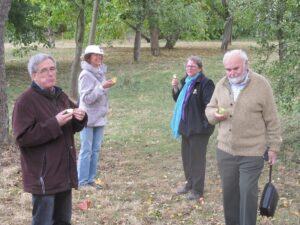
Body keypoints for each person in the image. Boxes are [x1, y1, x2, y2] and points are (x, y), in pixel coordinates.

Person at [205, 49, 282, 225]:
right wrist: (214, 115)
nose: (231, 73)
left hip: (252, 152)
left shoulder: (261, 85)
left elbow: (272, 119)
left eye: (235, 68)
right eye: (228, 69)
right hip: (225, 152)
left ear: (246, 65)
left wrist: (274, 147)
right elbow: (209, 108)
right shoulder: (221, 85)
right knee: (230, 194)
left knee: (247, 192)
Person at [12, 53, 87, 225]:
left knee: (62, 220)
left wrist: (80, 117)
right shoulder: (25, 101)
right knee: (43, 221)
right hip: (43, 176)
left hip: (63, 172)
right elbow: (22, 138)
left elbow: (72, 127)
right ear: (34, 75)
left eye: (52, 69)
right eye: (44, 70)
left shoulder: (59, 95)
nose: (50, 74)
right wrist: (55, 123)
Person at [171, 56, 215, 201]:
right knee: (187, 159)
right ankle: (189, 184)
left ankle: (197, 190)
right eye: (188, 66)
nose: (189, 69)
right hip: (186, 127)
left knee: (197, 160)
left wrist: (204, 123)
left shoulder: (205, 83)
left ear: (200, 68)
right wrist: (175, 87)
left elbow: (210, 105)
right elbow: (179, 100)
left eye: (192, 66)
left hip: (199, 130)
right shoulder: (186, 81)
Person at [77, 45, 116, 189]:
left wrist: (104, 87)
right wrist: (102, 87)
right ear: (88, 58)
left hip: (99, 117)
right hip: (87, 118)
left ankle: (91, 179)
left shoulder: (100, 72)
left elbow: (100, 94)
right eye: (95, 55)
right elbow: (86, 98)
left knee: (95, 149)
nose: (99, 58)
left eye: (100, 56)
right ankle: (82, 182)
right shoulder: (85, 75)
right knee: (86, 150)